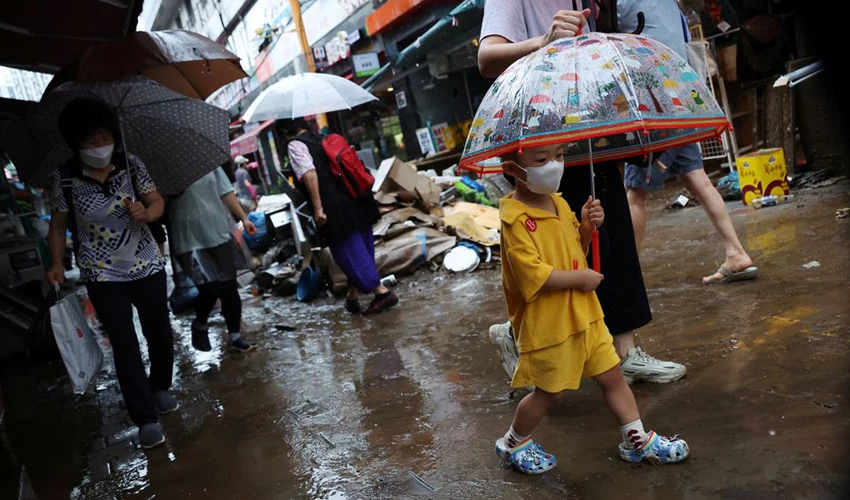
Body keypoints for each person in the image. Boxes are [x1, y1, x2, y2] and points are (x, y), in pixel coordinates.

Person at [479, 2, 686, 384]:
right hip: (540, 134)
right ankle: (516, 334)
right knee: (556, 248)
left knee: (610, 227)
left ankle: (624, 350)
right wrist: (544, 41)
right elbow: (487, 56)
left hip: (592, 121)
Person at [495, 141, 689, 473]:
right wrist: (580, 279)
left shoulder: (559, 203)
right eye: (542, 159)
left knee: (613, 376)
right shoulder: (515, 221)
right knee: (549, 393)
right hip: (550, 325)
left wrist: (585, 228)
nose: (555, 165)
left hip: (585, 315)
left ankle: (636, 439)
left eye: (559, 156)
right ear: (513, 170)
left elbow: (576, 250)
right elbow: (532, 278)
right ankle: (513, 442)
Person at [45, 98, 176, 450]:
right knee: (125, 343)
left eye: (103, 138)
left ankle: (160, 385)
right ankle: (145, 418)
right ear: (75, 144)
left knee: (159, 331)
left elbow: (158, 201)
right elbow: (57, 227)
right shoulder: (64, 179)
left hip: (146, 263)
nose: (98, 147)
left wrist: (147, 213)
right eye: (89, 142)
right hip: (101, 273)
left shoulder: (131, 165)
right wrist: (56, 262)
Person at [617, 1, 758, 284]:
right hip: (680, 95)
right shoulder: (670, 4)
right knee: (697, 177)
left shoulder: (623, 3)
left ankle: (627, 279)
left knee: (635, 191)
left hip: (654, 104)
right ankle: (736, 252)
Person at [282, 118, 398, 315]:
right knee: (362, 249)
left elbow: (310, 174)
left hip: (334, 209)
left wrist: (318, 209)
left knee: (348, 254)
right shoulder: (324, 138)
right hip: (357, 200)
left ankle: (382, 293)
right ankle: (353, 296)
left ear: (286, 131)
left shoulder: (295, 146)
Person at [168, 168, 259, 353]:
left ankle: (235, 336)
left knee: (228, 286)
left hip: (218, 232)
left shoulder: (209, 164)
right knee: (210, 287)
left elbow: (227, 193)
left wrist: (243, 218)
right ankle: (200, 323)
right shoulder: (164, 171)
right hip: (188, 238)